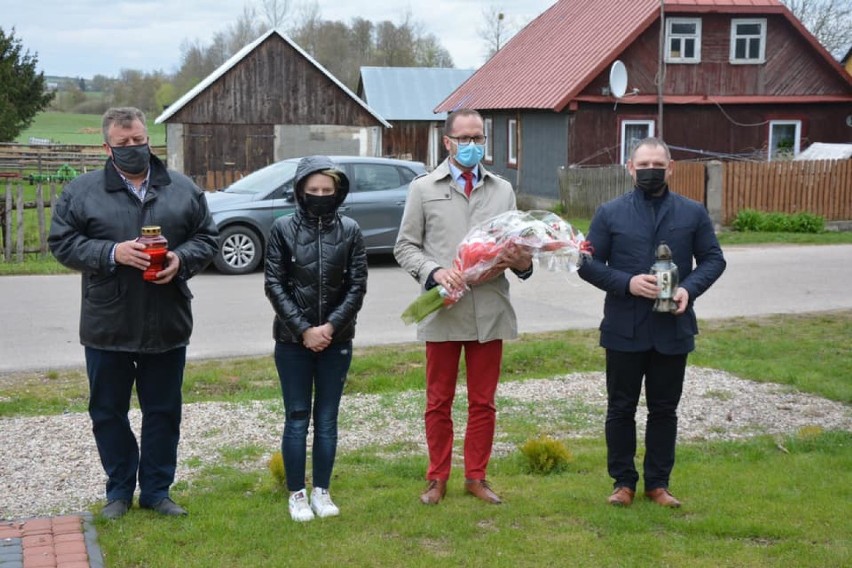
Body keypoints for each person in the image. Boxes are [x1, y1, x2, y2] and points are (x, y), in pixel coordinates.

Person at [48, 107, 219, 519]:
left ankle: (157, 492)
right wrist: (111, 252)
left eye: (138, 141)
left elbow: (208, 238)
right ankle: (119, 491)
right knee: (108, 412)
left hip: (167, 318)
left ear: (149, 140)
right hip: (109, 323)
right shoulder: (82, 192)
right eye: (123, 143)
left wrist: (182, 259)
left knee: (163, 411)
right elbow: (62, 242)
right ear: (106, 146)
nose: (132, 148)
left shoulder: (182, 189)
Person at [577, 137, 726, 508]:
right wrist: (626, 282)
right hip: (624, 328)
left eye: (657, 164)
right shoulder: (610, 213)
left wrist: (689, 290)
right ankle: (623, 483)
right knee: (620, 408)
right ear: (630, 168)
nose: (650, 171)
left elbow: (713, 259)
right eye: (642, 165)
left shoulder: (692, 213)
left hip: (672, 329)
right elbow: (586, 264)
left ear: (671, 167)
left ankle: (658, 484)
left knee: (664, 409)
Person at [394, 108, 533, 506]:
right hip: (442, 309)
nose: (473, 146)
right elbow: (404, 247)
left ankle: (476, 476)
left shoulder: (503, 190)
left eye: (479, 138)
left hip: (490, 311)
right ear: (448, 142)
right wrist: (435, 272)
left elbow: (517, 251)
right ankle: (437, 477)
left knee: (483, 401)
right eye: (465, 139)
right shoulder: (423, 189)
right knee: (438, 401)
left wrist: (522, 260)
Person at [264, 156, 368, 522]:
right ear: (301, 191)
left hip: (336, 341)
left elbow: (357, 286)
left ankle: (322, 491)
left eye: (328, 190)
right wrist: (304, 329)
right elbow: (274, 284)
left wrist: (329, 329)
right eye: (314, 190)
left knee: (326, 418)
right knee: (296, 417)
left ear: (338, 192)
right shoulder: (281, 229)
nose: (321, 196)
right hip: (292, 341)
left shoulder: (351, 230)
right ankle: (296, 493)